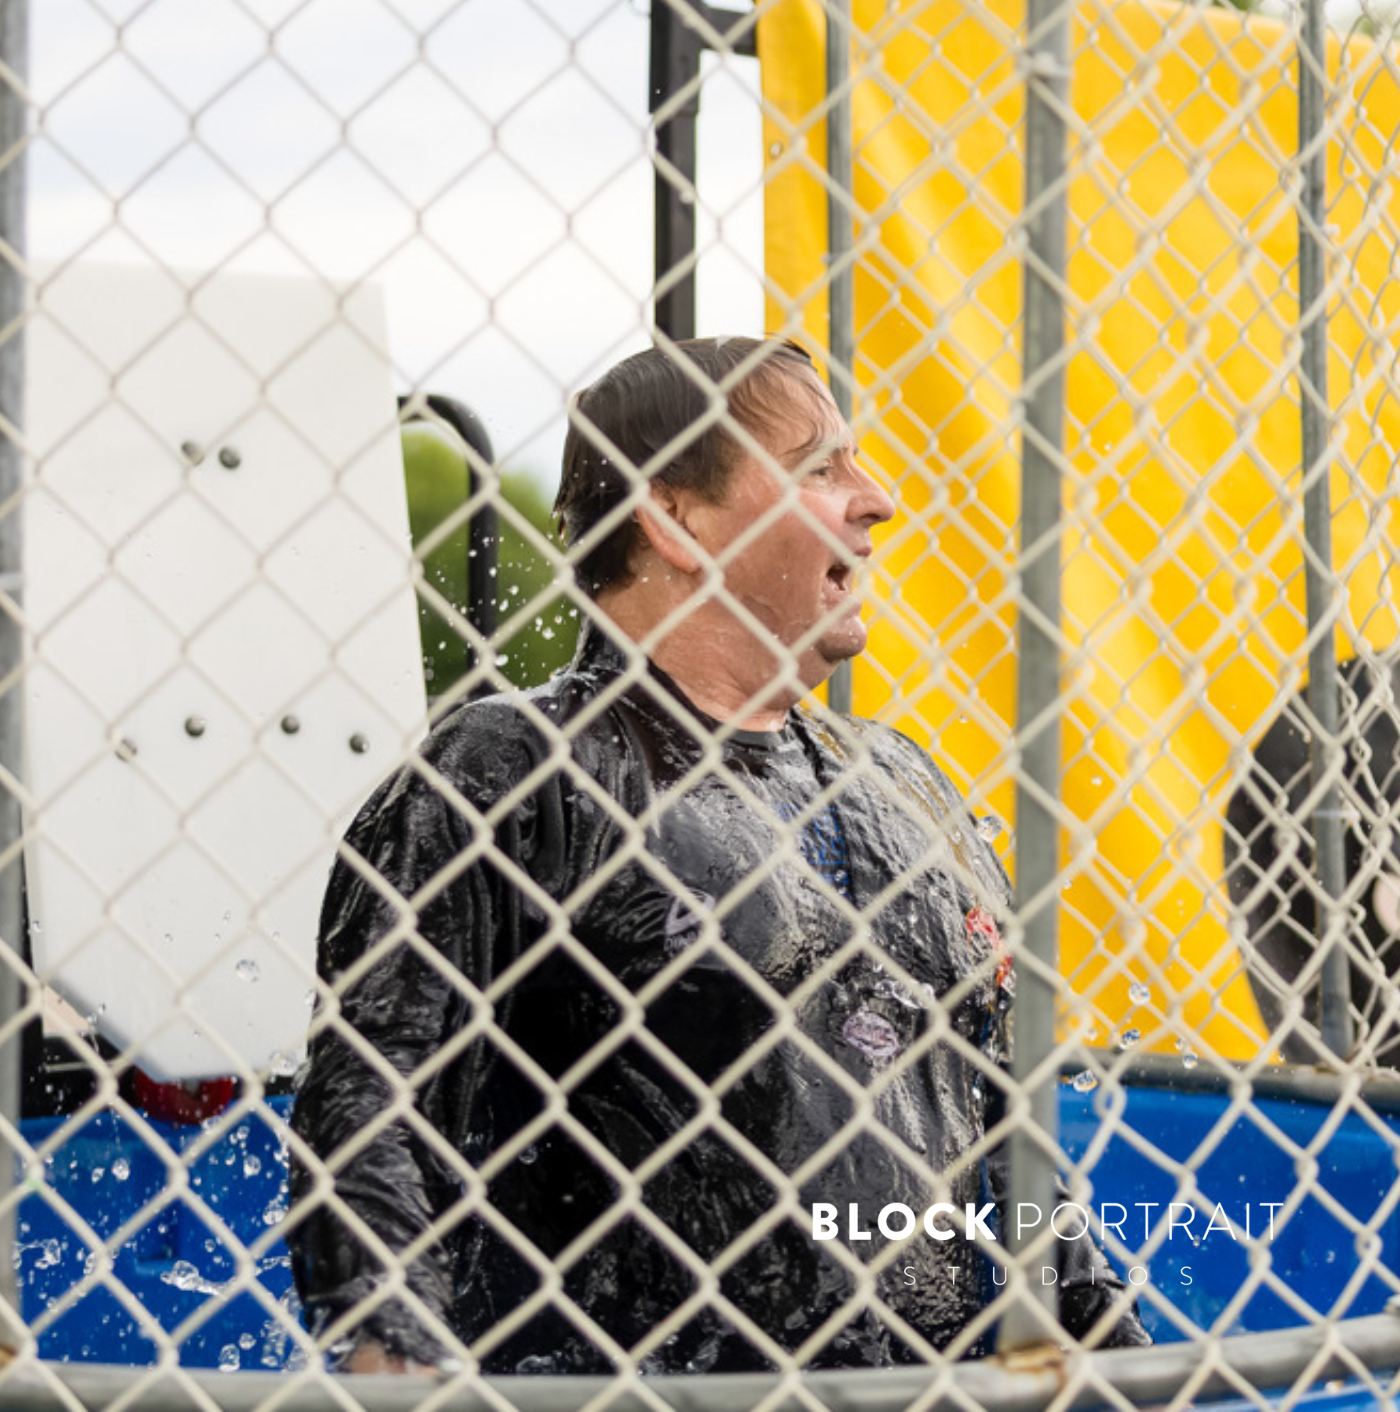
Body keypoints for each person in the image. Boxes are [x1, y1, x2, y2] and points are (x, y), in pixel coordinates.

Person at [289, 338, 1147, 1376]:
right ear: (677, 520)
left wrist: (1123, 1364)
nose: (875, 500)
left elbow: (1007, 1139)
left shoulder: (899, 784)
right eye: (818, 467)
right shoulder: (515, 772)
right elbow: (369, 1120)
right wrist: (406, 1379)